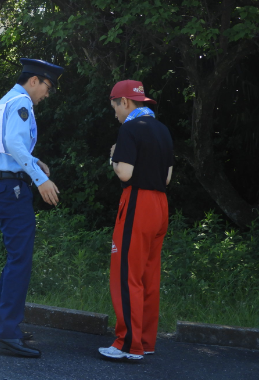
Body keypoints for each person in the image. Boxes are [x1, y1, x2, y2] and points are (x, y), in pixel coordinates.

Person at [0, 58, 63, 358]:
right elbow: (14, 144)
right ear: (34, 80)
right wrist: (40, 178)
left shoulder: (5, 100)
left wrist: (33, 162)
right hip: (13, 190)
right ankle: (6, 332)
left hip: (3, 186)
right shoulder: (22, 102)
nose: (47, 94)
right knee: (20, 261)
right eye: (47, 87)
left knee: (15, 259)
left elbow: (4, 146)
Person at [99, 80, 173, 360]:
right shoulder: (163, 130)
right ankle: (145, 341)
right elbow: (167, 177)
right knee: (149, 275)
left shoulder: (129, 129)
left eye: (115, 107)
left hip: (137, 204)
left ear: (125, 102)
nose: (115, 113)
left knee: (126, 274)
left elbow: (125, 173)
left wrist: (113, 159)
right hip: (160, 205)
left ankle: (127, 344)